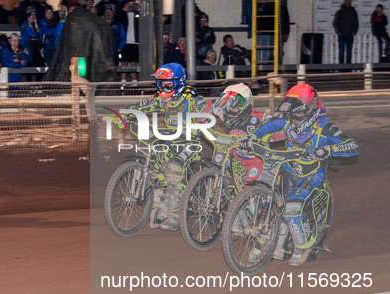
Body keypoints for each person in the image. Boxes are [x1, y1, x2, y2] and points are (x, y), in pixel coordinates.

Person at [241, 83, 359, 266]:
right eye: (291, 113)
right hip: (288, 170)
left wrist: (327, 150)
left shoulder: (326, 127)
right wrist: (253, 137)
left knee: (292, 209)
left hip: (311, 175)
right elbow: (269, 124)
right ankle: (262, 244)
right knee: (267, 203)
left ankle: (303, 246)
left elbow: (352, 146)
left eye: (298, 113)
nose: (293, 118)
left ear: (311, 110)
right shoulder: (288, 120)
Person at [123, 63, 211, 231]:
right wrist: (126, 113)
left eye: (168, 83)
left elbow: (206, 112)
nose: (164, 87)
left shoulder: (192, 97)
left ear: (180, 82)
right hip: (171, 141)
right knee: (154, 165)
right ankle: (161, 206)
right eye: (162, 83)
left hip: (190, 143)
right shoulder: (162, 97)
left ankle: (174, 217)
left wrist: (203, 119)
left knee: (173, 169)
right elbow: (141, 106)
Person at [212, 83, 285, 185]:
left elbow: (285, 128)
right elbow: (210, 106)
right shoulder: (226, 113)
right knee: (217, 165)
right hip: (236, 159)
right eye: (227, 108)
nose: (229, 113)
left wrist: (268, 137)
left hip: (257, 160)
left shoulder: (261, 118)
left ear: (245, 107)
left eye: (234, 109)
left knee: (248, 187)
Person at [116, 0, 139, 86]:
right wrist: (123, 10)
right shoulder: (122, 15)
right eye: (129, 4)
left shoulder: (137, 15)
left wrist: (138, 8)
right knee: (124, 61)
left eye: (132, 5)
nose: (130, 6)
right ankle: (123, 82)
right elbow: (117, 17)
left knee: (134, 62)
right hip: (124, 41)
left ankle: (134, 82)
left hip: (135, 42)